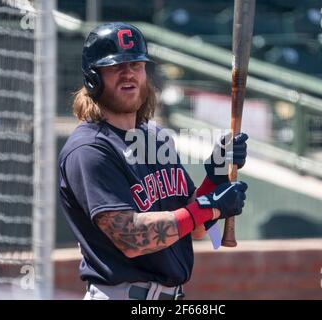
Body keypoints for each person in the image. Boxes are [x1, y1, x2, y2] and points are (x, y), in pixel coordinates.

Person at [58, 22, 249, 300]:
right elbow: (131, 238)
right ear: (93, 78)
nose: (128, 74)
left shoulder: (155, 137)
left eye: (136, 64)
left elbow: (192, 229)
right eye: (115, 66)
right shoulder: (89, 149)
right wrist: (209, 208)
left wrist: (217, 175)